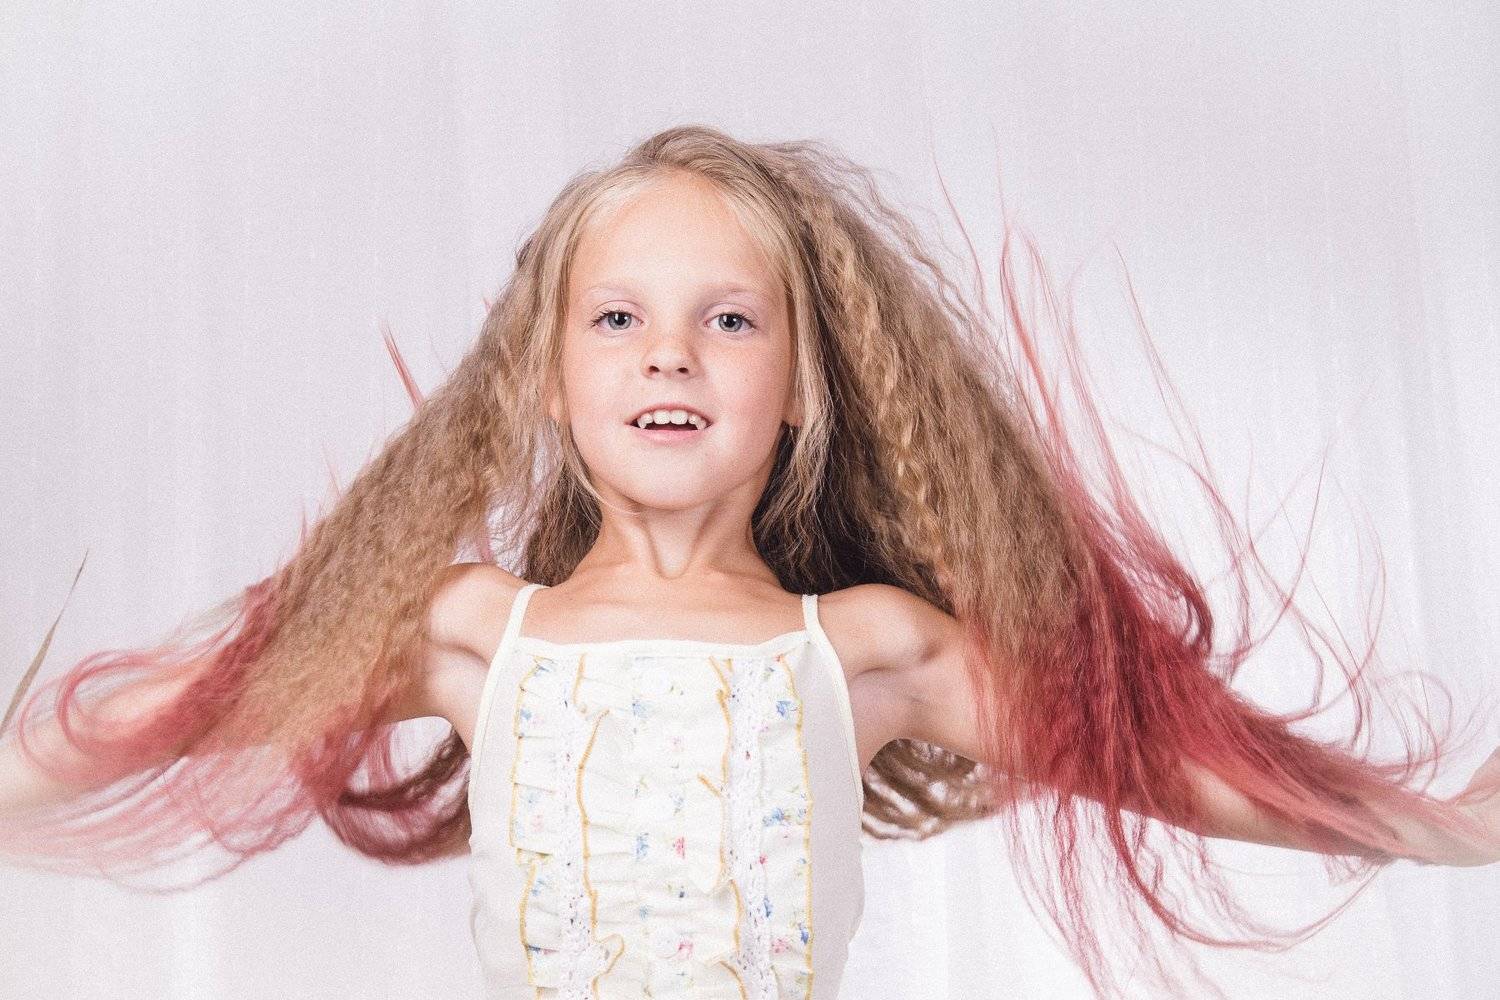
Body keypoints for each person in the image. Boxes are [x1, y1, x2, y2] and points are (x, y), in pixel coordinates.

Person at [2, 124, 1497, 1000]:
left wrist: (1440, 831)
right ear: (545, 379)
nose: (670, 352)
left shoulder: (868, 651)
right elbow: (172, 709)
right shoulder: (467, 632)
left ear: (801, 389)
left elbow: (1147, 762)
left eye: (728, 320)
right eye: (617, 319)